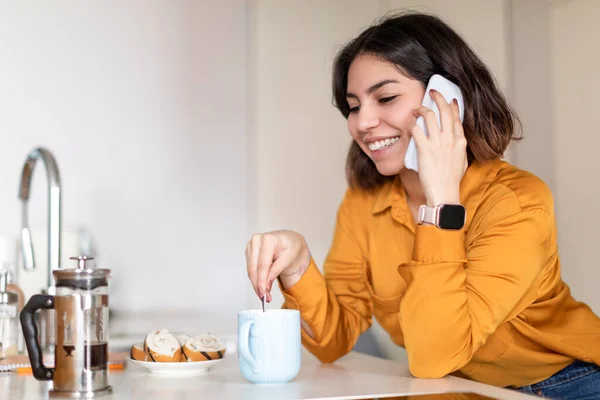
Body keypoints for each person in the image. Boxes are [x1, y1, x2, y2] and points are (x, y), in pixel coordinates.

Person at [244, 11, 600, 399]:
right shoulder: (365, 201)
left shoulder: (517, 202)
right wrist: (298, 265)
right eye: (353, 106)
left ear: (449, 99)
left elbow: (433, 356)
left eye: (386, 98)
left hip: (567, 383)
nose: (362, 122)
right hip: (459, 389)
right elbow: (332, 341)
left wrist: (441, 203)